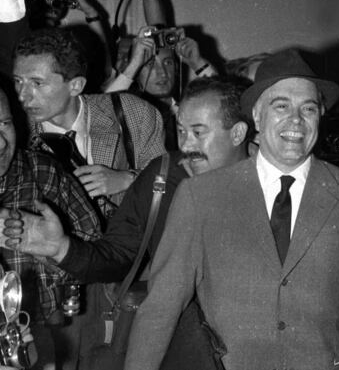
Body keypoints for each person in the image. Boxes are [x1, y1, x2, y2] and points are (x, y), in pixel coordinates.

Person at [124, 48, 339, 370]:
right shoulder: (200, 196)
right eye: (281, 107)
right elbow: (161, 307)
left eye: (308, 108)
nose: (296, 121)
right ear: (256, 117)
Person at [0, 77, 251, 370]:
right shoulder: (163, 178)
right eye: (181, 131)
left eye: (198, 132)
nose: (186, 145)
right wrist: (63, 248)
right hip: (191, 350)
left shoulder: (281, 186)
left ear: (238, 133)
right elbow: (118, 255)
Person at [12, 28, 165, 220]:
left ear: (75, 85)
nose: (22, 95)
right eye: (18, 81)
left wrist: (129, 179)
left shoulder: (135, 113)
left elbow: (167, 184)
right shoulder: (14, 136)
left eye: (37, 83)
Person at [0, 86, 102, 369]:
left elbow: (97, 255)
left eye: (5, 124)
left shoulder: (43, 173)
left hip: (40, 335)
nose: (0, 142)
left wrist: (58, 251)